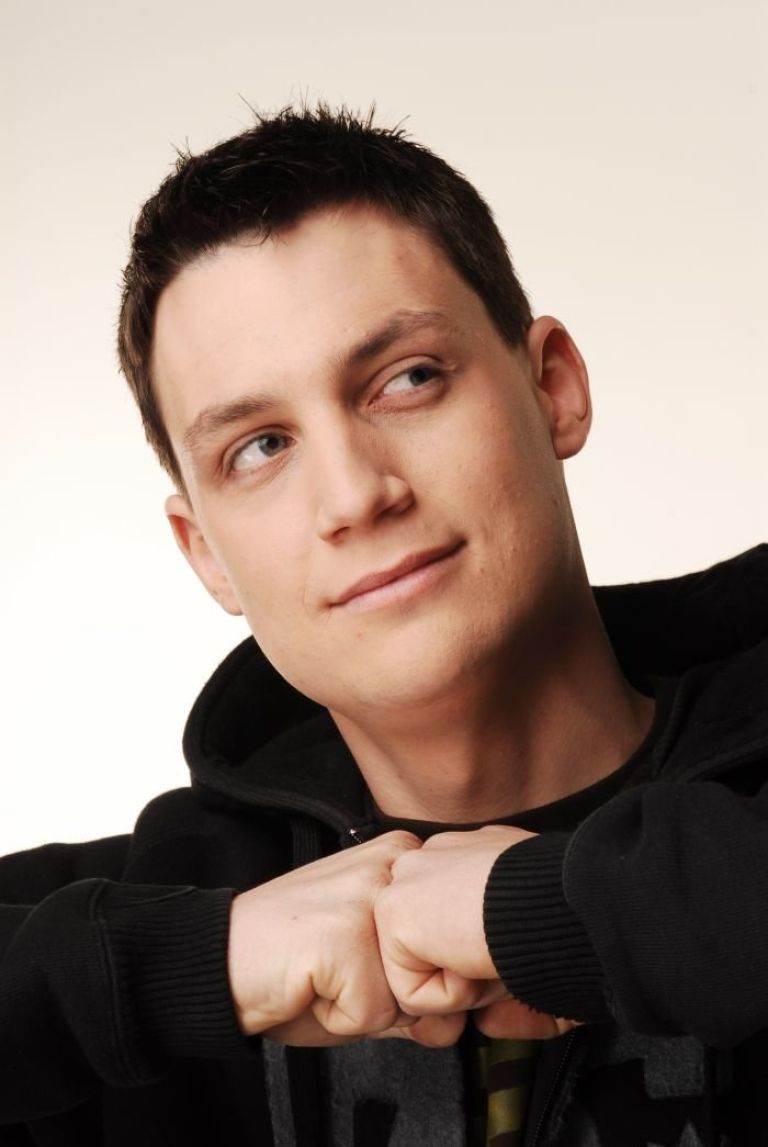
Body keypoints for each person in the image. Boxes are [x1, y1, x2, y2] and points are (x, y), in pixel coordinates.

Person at [1, 103, 766, 1147]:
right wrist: (180, 970)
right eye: (261, 447)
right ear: (205, 553)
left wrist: (543, 912)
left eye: (408, 379)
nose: (356, 494)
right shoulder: (167, 904)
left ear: (553, 387)